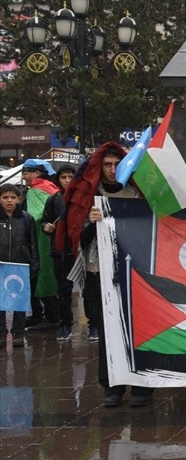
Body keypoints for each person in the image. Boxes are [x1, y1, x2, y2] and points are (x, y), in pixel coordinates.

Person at [64, 144, 154, 407]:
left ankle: (141, 385)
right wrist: (92, 223)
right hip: (99, 272)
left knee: (138, 329)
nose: (113, 170)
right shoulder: (89, 196)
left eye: (117, 164)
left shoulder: (138, 194)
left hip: (135, 272)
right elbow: (77, 238)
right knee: (107, 331)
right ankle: (112, 385)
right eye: (107, 165)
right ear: (99, 167)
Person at [20, 160, 60, 330]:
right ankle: (46, 315)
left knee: (39, 277)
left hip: (39, 241)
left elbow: (34, 216)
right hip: (51, 240)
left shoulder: (36, 189)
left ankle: (47, 317)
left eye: (26, 171)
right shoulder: (49, 186)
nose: (23, 175)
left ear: (37, 173)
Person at [0, 183, 38, 348]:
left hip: (20, 266)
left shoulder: (26, 218)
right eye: (5, 197)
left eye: (13, 197)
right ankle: (1, 333)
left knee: (20, 301)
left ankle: (18, 332)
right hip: (1, 267)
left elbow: (33, 244)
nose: (9, 201)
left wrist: (34, 264)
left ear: (18, 199)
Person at [44, 165, 77, 341]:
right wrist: (47, 227)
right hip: (60, 252)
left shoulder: (81, 199)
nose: (67, 180)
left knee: (88, 291)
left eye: (70, 176)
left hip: (79, 251)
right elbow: (45, 221)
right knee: (63, 291)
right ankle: (65, 325)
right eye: (63, 177)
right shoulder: (52, 200)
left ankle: (94, 324)